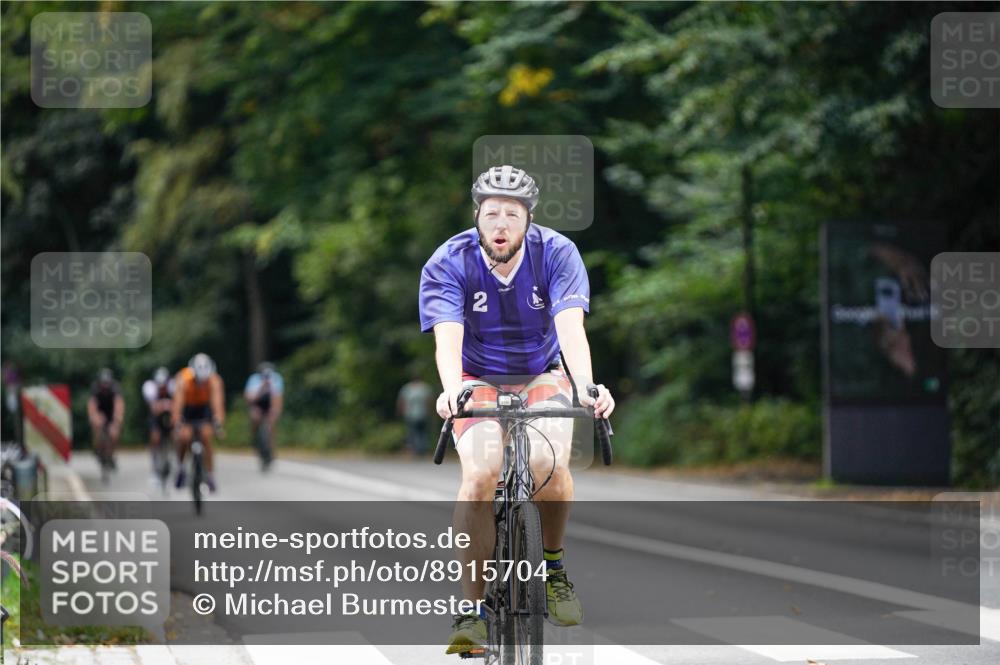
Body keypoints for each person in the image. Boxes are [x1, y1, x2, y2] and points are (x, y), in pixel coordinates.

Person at [418, 165, 615, 654]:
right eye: (491, 215)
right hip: (475, 376)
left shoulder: (557, 253)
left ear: (528, 219)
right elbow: (448, 341)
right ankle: (472, 613)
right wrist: (450, 391)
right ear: (477, 217)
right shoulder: (449, 261)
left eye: (512, 214)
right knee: (481, 474)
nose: (500, 224)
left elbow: (571, 330)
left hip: (541, 372)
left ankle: (552, 568)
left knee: (549, 464)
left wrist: (588, 387)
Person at [172, 354, 225, 492]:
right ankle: (181, 468)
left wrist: (218, 422)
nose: (201, 384)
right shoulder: (182, 379)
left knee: (206, 437)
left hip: (204, 409)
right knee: (184, 437)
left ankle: (210, 475)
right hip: (187, 409)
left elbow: (217, 403)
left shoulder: (214, 380)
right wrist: (177, 422)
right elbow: (177, 404)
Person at [244, 361, 284, 470]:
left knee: (272, 423)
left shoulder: (276, 379)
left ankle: (272, 448)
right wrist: (261, 388)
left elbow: (278, 397)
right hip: (257, 403)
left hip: (270, 404)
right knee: (255, 418)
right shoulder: (254, 380)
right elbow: (249, 398)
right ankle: (254, 439)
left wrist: (276, 411)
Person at [87, 368, 125, 472]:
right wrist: (94, 416)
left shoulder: (115, 388)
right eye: (103, 383)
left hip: (111, 413)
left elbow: (119, 404)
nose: (105, 385)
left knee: (114, 433)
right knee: (97, 427)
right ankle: (98, 449)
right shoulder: (95, 388)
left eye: (107, 383)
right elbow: (92, 405)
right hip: (100, 412)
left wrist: (117, 419)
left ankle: (111, 455)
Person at [142, 367, 174, 484]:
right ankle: (155, 469)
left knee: (178, 436)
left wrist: (165, 406)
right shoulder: (150, 387)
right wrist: (166, 405)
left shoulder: (172, 385)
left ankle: (177, 465)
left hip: (170, 417)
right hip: (156, 419)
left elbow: (177, 404)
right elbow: (154, 408)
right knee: (154, 438)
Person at [397, 376, 433, 456]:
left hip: (412, 414)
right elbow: (430, 401)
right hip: (421, 414)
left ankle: (418, 450)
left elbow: (402, 401)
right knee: (421, 433)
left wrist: (401, 411)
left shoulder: (408, 388)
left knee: (414, 433)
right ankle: (420, 450)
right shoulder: (424, 388)